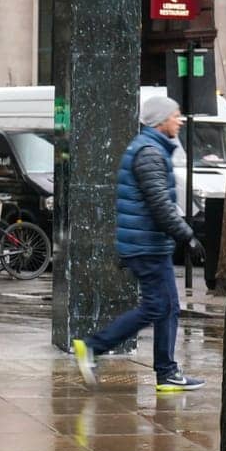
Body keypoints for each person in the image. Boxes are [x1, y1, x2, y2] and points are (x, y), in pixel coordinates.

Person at [73, 95, 207, 392]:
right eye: (175, 115)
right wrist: (187, 235)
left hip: (148, 243)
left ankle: (167, 372)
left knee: (168, 306)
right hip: (146, 245)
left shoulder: (151, 148)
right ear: (161, 121)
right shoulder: (149, 152)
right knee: (157, 306)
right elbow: (159, 204)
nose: (180, 120)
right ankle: (93, 347)